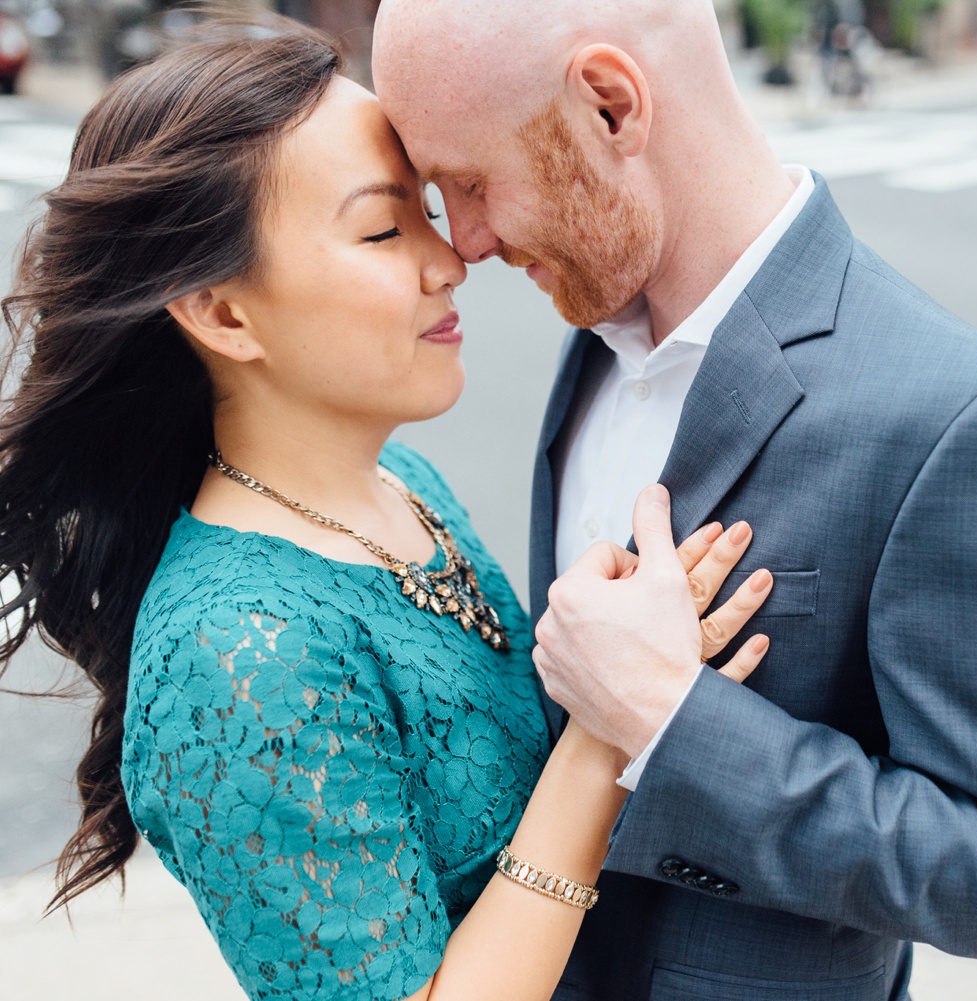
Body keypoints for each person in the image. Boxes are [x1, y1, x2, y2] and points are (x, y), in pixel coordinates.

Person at [0, 21, 774, 1001]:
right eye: (381, 229)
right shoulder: (236, 658)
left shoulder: (402, 481)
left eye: (427, 211)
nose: (450, 262)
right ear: (221, 311)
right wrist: (606, 727)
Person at [372, 2, 977, 999]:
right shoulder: (589, 329)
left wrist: (672, 717)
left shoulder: (955, 416)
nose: (463, 242)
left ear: (611, 105)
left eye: (470, 182)